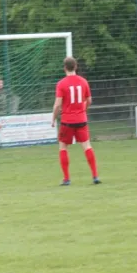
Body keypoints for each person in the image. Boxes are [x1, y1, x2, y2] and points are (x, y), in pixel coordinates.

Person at [51, 57, 100, 185]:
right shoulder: (83, 82)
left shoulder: (61, 84)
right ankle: (95, 176)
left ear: (64, 68)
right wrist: (84, 109)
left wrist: (53, 118)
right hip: (81, 120)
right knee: (87, 146)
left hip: (67, 120)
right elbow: (89, 100)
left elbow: (57, 105)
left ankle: (66, 179)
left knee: (63, 147)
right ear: (76, 66)